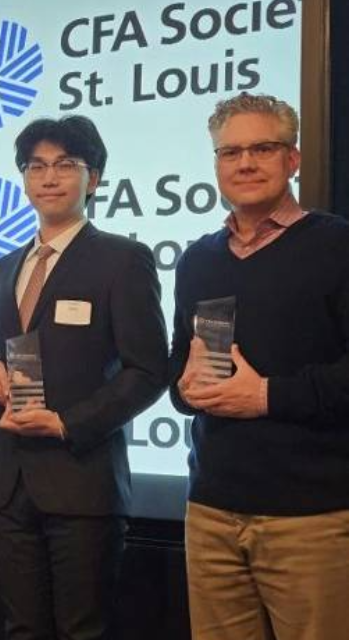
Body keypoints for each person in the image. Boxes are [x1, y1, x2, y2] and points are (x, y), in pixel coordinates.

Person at [0, 115, 168, 639]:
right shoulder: (2, 269)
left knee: (84, 631)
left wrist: (67, 423)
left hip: (83, 481)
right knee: (21, 629)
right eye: (36, 166)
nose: (49, 177)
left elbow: (149, 370)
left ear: (94, 179)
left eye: (65, 165)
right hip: (6, 484)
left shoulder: (123, 260)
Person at [171, 92, 349, 640]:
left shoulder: (337, 244)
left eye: (263, 148)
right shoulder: (198, 258)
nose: (245, 163)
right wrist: (183, 387)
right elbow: (181, 371)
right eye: (230, 153)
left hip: (310, 518)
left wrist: (268, 396)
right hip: (210, 510)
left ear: (292, 159)